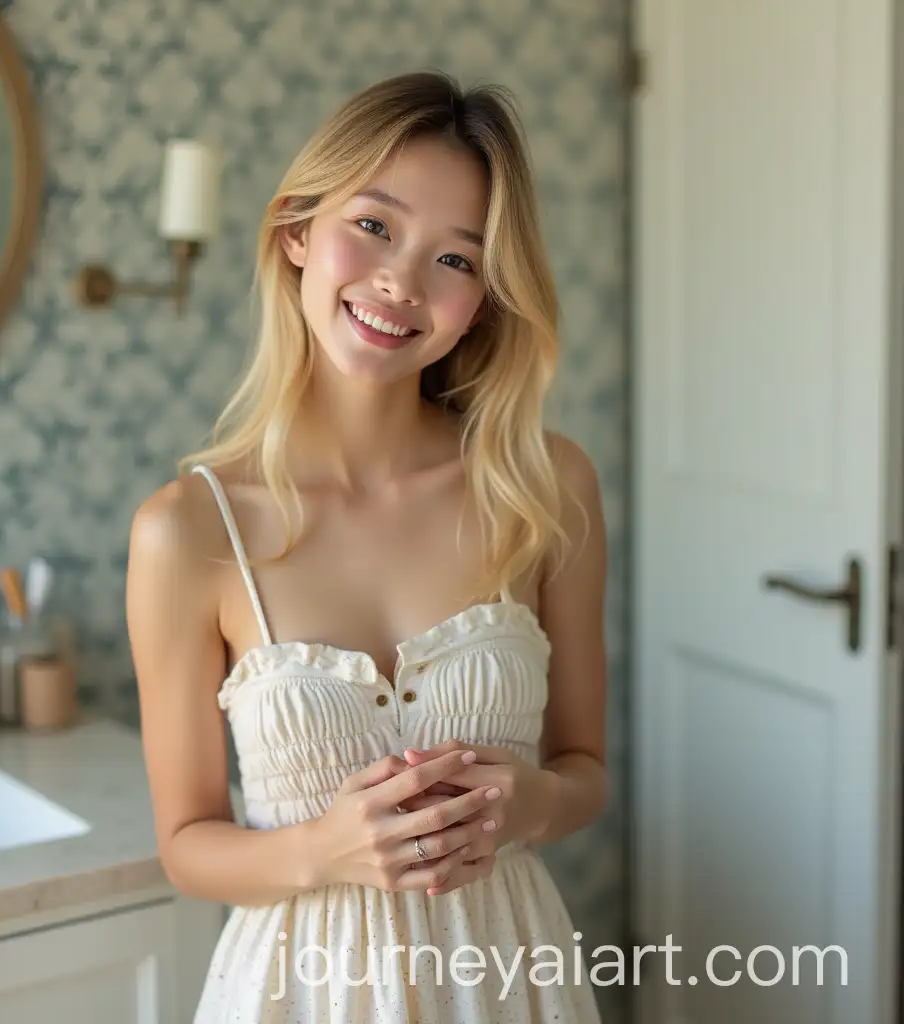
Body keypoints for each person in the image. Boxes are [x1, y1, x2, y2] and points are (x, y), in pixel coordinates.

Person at [127, 70, 608, 1022]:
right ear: (297, 231)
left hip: (507, 980)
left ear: (487, 294)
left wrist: (534, 806)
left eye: (457, 259)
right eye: (375, 226)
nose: (401, 280)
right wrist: (323, 849)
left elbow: (585, 767)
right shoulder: (186, 531)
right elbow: (187, 844)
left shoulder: (544, 486)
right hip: (297, 991)